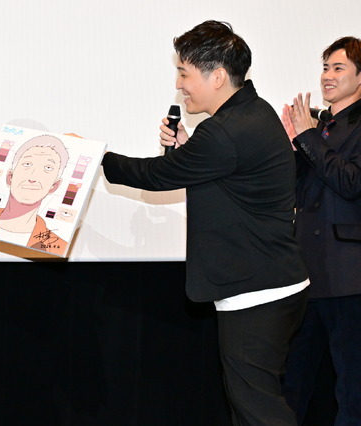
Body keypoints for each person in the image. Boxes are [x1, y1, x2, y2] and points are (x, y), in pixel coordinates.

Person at [100, 21, 309, 425]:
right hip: (270, 283)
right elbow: (223, 173)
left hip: (256, 292)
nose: (179, 84)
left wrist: (95, 158)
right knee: (252, 406)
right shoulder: (253, 112)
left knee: (258, 411)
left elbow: (156, 176)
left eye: (184, 73)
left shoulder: (225, 131)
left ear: (217, 76)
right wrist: (186, 150)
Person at [281, 36, 361, 424]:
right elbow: (296, 192)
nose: (327, 75)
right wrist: (294, 147)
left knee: (351, 387)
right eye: (325, 67)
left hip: (348, 277)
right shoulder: (321, 127)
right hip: (306, 274)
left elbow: (351, 182)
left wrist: (307, 136)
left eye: (338, 68)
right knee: (292, 381)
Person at [0, 134, 68, 254]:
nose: (33, 177)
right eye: (27, 164)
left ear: (54, 186)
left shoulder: (58, 245)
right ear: (10, 177)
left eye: (48, 168)